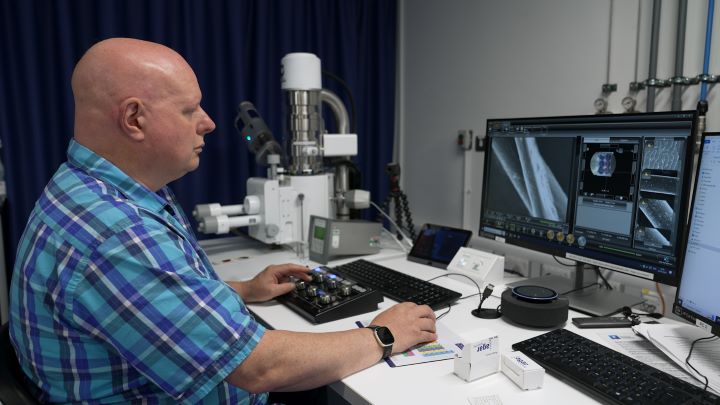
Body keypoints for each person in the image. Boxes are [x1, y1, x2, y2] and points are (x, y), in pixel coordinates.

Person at [8, 38, 437, 404]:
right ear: (134, 118)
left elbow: (147, 293)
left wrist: (243, 289)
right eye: (189, 110)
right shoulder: (118, 233)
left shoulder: (89, 189)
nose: (209, 123)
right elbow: (257, 368)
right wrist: (383, 335)